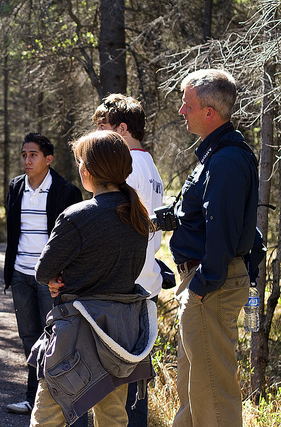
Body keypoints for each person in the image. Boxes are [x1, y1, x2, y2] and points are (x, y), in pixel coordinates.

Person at [29, 130, 157, 427]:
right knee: (113, 417)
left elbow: (42, 271)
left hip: (75, 335)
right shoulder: (137, 216)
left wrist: (56, 278)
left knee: (48, 416)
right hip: (120, 335)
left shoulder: (77, 216)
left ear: (86, 171)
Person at [171, 69, 258, 427]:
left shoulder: (225, 160)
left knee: (213, 397)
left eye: (187, 105)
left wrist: (203, 286)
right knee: (195, 389)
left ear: (209, 112)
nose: (181, 111)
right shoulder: (215, 154)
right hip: (205, 283)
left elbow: (220, 229)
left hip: (212, 285)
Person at [93, 94, 164, 426]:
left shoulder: (129, 168)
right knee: (137, 382)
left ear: (122, 129)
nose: (100, 136)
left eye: (105, 128)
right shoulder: (149, 165)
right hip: (145, 282)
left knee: (118, 383)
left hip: (125, 287)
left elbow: (114, 231)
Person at [3, 133, 82, 416]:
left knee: (55, 339)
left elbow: (72, 240)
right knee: (28, 338)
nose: (27, 160)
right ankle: (32, 398)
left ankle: (60, 403)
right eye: (24, 154)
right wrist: (10, 272)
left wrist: (61, 274)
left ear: (48, 159)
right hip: (20, 275)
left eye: (33, 155)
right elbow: (14, 234)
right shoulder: (15, 187)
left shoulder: (65, 191)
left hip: (50, 279)